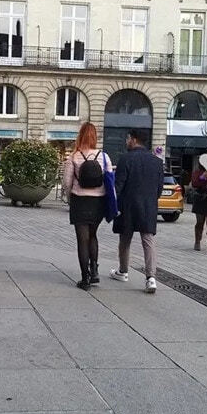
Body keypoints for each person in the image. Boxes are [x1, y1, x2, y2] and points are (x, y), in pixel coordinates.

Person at [109, 130, 164, 294]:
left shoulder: (126, 159)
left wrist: (113, 205)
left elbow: (118, 185)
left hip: (128, 206)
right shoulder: (156, 162)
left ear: (133, 140)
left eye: (127, 138)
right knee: (148, 240)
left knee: (125, 239)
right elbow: (159, 188)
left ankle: (123, 271)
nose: (126, 141)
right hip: (148, 206)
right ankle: (151, 278)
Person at [62, 122, 113, 290]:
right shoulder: (103, 156)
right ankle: (95, 270)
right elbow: (109, 181)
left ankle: (85, 278)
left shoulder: (74, 157)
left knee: (82, 240)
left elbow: (67, 182)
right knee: (93, 236)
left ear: (80, 135)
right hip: (98, 201)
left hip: (80, 200)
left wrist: (70, 197)